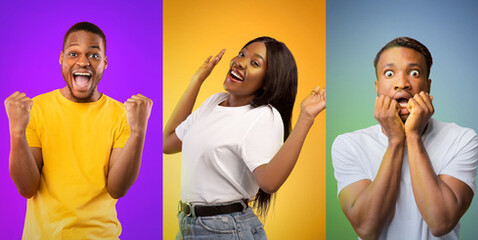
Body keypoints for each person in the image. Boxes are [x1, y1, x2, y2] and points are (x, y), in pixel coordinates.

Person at [162, 36, 326, 239]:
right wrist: (197, 80)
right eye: (242, 54)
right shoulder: (214, 102)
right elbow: (168, 143)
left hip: (226, 229)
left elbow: (269, 182)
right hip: (188, 225)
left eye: (255, 63)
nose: (239, 62)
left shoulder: (264, 115)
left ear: (268, 82)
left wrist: (306, 117)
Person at [3, 21, 152, 239]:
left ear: (105, 63)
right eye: (74, 54)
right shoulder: (35, 109)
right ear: (61, 58)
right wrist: (17, 131)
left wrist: (138, 132)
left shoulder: (123, 115)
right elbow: (27, 188)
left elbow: (117, 189)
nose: (83, 62)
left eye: (93, 55)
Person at [332, 36, 478, 239]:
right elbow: (366, 228)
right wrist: (394, 141)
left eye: (414, 73)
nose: (402, 83)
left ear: (427, 86)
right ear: (377, 86)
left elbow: (441, 222)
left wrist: (413, 136)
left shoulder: (462, 139)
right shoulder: (348, 145)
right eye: (389, 73)